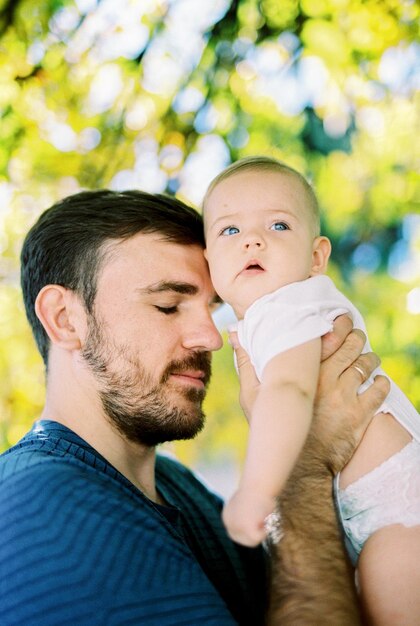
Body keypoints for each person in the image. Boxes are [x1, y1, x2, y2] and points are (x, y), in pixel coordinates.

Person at [0, 189, 388, 626]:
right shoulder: (42, 508)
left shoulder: (178, 485)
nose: (211, 338)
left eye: (211, 308)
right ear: (65, 319)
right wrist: (302, 466)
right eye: (168, 306)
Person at [203, 155, 420, 625]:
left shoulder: (287, 305)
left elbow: (289, 392)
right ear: (208, 265)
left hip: (400, 515)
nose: (253, 239)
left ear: (316, 256)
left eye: (278, 225)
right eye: (229, 231)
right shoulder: (272, 315)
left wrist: (257, 493)